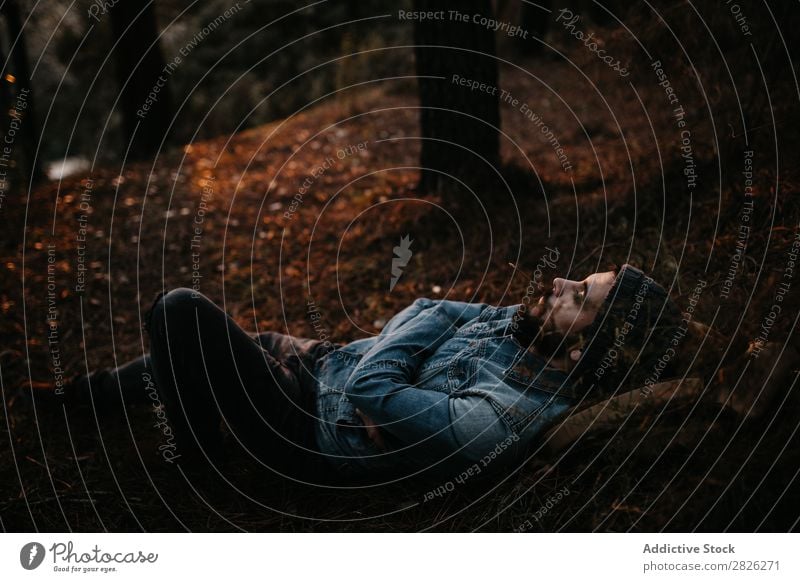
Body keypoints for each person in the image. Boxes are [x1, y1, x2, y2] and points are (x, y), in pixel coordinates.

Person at [61, 264, 752, 486]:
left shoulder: (507, 416)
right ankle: (77, 402)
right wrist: (400, 361)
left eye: (582, 299)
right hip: (324, 364)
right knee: (232, 345)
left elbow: (375, 389)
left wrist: (390, 369)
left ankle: (202, 458)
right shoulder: (522, 325)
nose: (561, 283)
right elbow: (430, 306)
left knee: (181, 312)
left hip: (299, 429)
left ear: (582, 354)